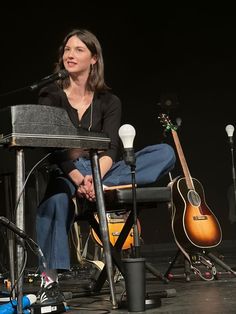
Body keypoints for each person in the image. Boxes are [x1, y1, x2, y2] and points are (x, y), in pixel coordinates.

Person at [35, 28, 176, 304]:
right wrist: (79, 178)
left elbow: (111, 147)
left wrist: (95, 180)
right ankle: (49, 281)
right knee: (53, 203)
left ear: (94, 58)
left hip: (104, 170)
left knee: (164, 152)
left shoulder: (109, 101)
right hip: (68, 171)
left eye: (78, 50)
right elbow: (55, 150)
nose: (70, 55)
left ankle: (107, 186)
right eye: (67, 49)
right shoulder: (49, 95)